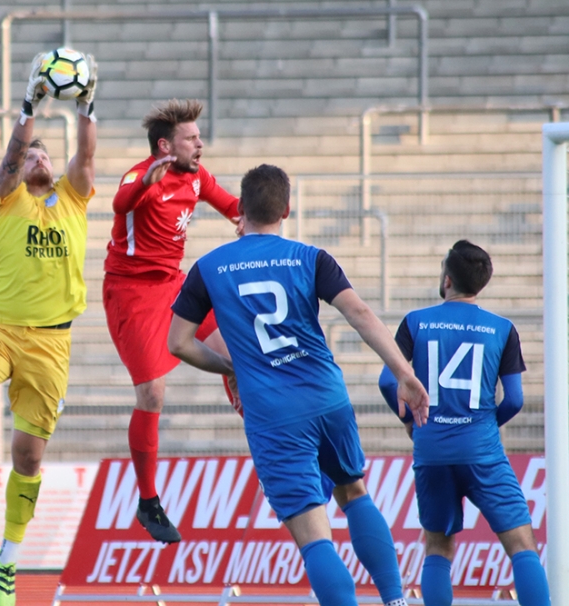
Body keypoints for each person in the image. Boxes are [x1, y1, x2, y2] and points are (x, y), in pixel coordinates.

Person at [167, 164, 430, 606]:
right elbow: (360, 313)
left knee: (314, 536)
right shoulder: (311, 257)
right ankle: (395, 598)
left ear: (240, 209)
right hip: (327, 397)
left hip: (274, 413)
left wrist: (230, 368)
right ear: (286, 210)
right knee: (354, 492)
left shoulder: (209, 267)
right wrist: (405, 373)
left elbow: (178, 343)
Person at [0, 52, 97, 606]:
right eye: (31, 154)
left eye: (44, 153)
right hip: (2, 331)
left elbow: (86, 154)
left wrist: (86, 107)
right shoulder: (6, 199)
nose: (38, 158)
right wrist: (30, 107)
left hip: (52, 342)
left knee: (29, 459)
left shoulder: (74, 195)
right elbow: (11, 155)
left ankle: (7, 556)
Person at [378, 241, 550, 606]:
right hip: (482, 451)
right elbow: (514, 400)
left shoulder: (415, 322)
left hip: (432, 450)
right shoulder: (502, 328)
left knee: (437, 547)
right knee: (522, 545)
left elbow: (387, 382)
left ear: (447, 279)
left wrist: (410, 420)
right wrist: (482, 425)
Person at [103, 98, 241, 543]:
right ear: (165, 146)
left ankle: (267, 442)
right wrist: (145, 182)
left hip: (173, 283)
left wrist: (265, 208)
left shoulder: (196, 176)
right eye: (191, 138)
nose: (200, 144)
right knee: (152, 393)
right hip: (131, 292)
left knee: (237, 351)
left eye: (199, 137)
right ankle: (148, 501)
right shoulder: (139, 177)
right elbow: (121, 201)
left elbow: (233, 207)